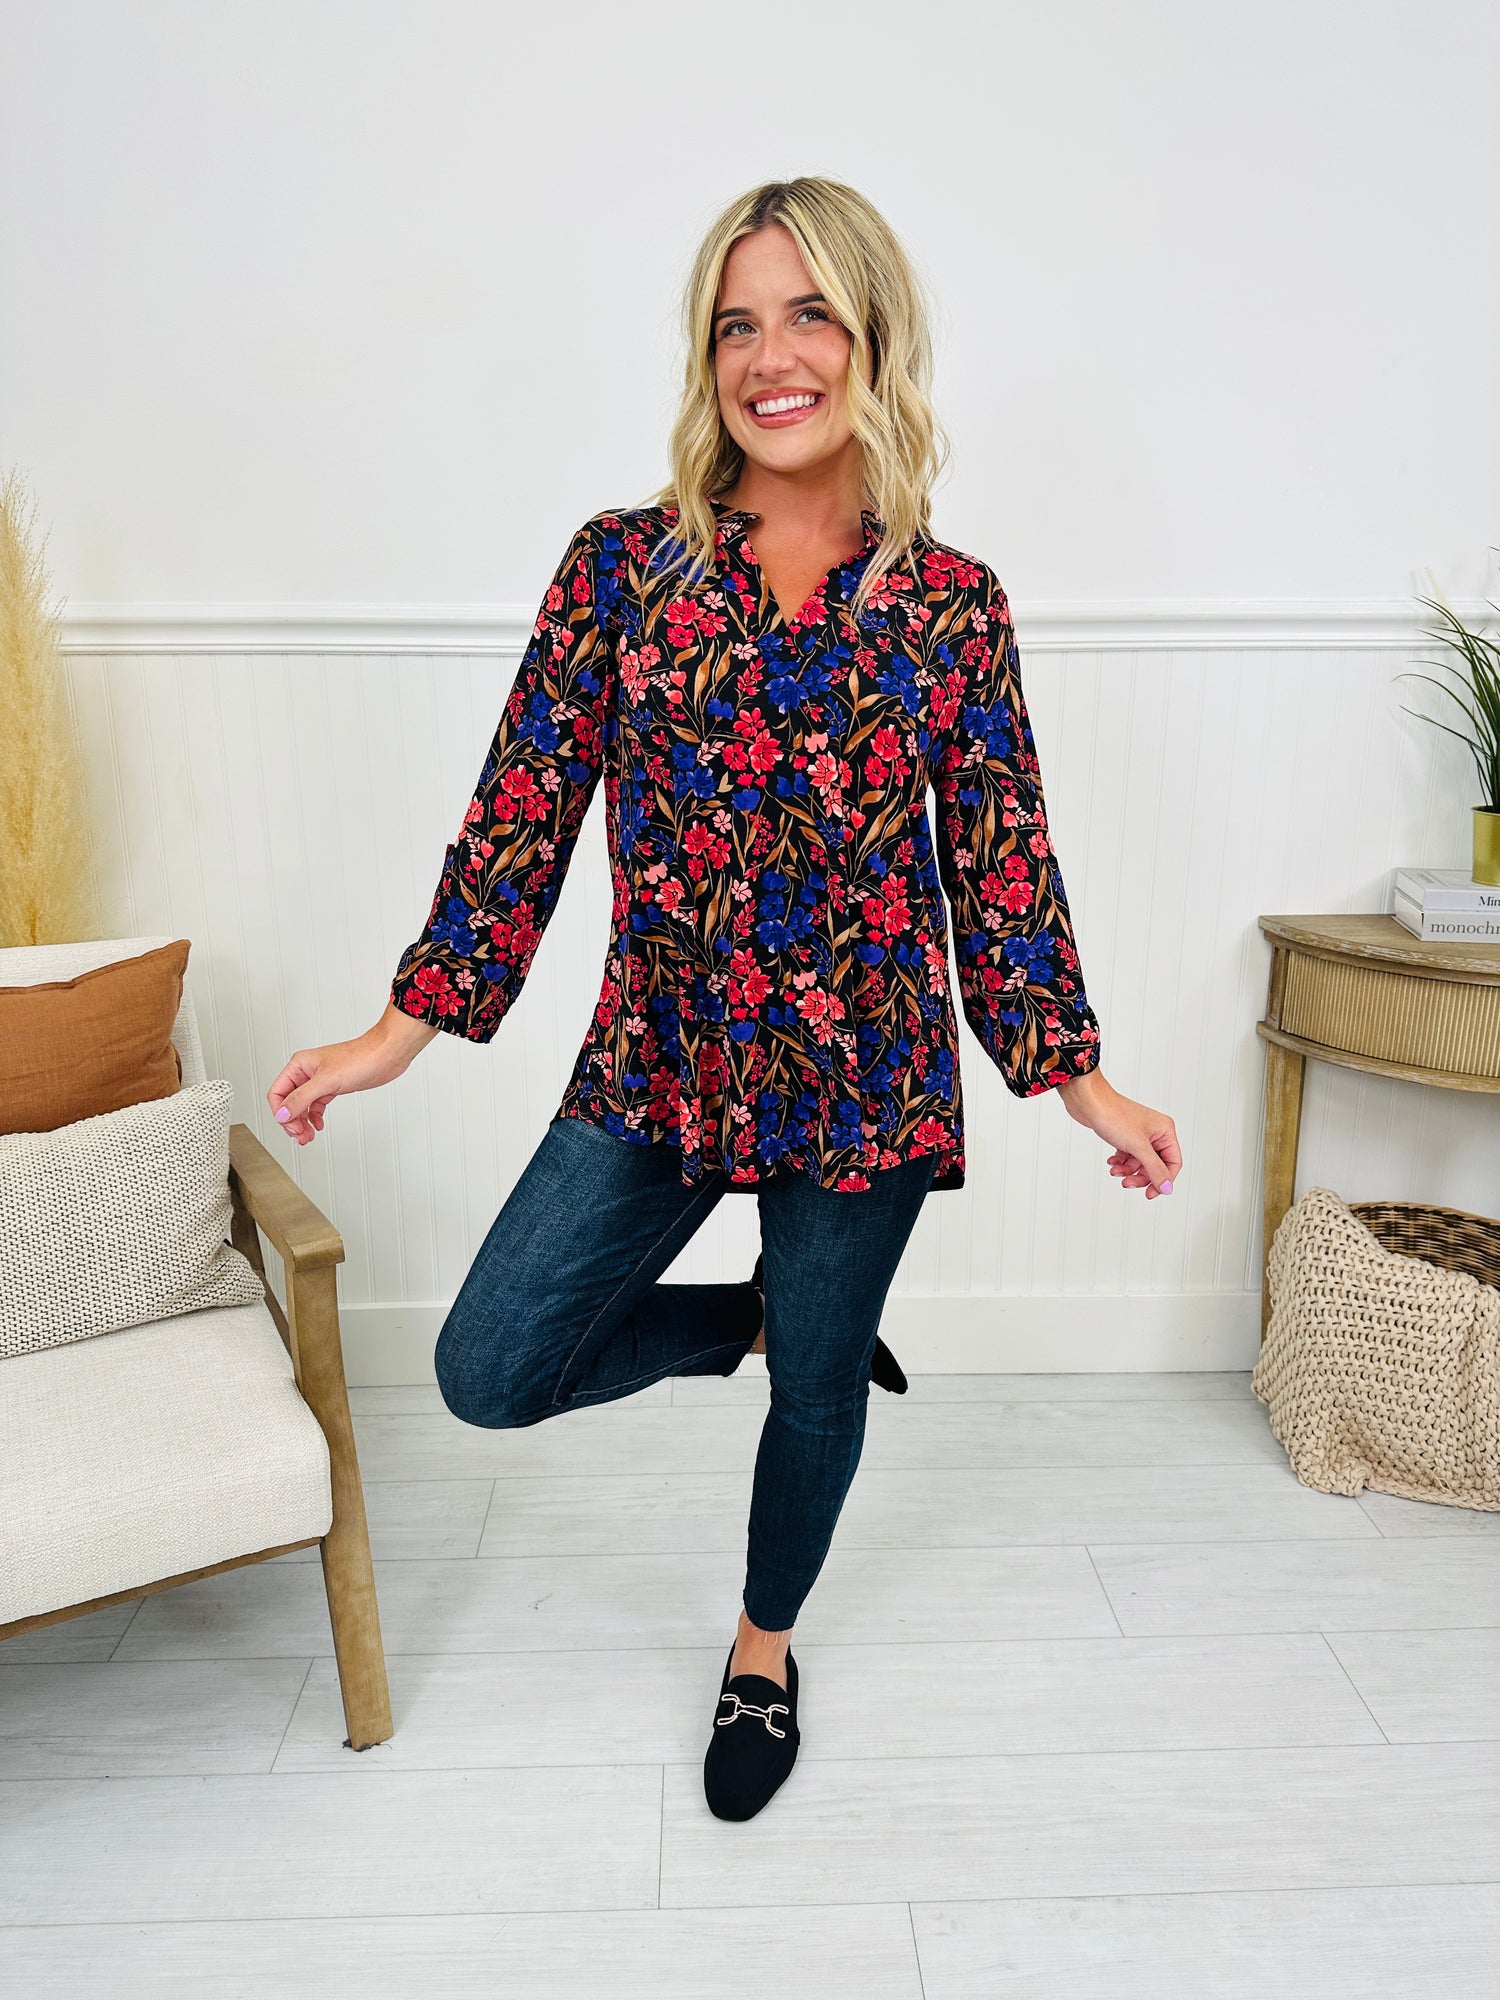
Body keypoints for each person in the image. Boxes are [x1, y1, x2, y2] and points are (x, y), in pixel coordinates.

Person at [267, 177, 1182, 1822]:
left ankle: (763, 1654)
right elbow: (522, 811)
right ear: (707, 358)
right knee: (489, 1364)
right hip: (661, 1059)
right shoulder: (622, 570)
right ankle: (749, 1320)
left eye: (811, 314)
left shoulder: (950, 605)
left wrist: (1082, 1082)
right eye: (737, 324)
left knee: (817, 1402)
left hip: (864, 1080)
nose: (773, 358)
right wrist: (396, 1035)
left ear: (875, 339)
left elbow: (1001, 863)